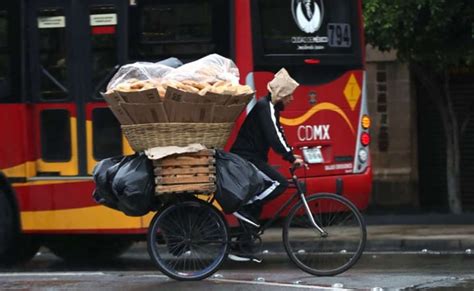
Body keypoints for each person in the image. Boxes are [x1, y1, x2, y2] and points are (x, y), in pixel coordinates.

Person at [230, 68, 305, 228]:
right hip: (247, 158)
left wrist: (291, 154)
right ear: (281, 94)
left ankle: (244, 244)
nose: (291, 99)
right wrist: (290, 157)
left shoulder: (272, 109)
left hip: (253, 158)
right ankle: (247, 207)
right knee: (280, 184)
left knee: (261, 196)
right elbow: (274, 137)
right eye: (289, 95)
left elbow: (279, 133)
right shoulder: (266, 107)